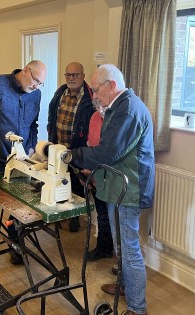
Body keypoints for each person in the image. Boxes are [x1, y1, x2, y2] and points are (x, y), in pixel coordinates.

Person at [70, 64, 155, 315]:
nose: (94, 95)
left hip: (130, 190)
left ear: (112, 86)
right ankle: (126, 287)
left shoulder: (127, 110)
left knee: (129, 249)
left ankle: (138, 309)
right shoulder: (119, 106)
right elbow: (111, 151)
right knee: (122, 246)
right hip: (119, 186)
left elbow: (108, 151)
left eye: (96, 90)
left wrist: (71, 155)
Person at [0, 60, 47, 264]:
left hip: (20, 161)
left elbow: (33, 124)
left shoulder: (36, 95)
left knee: (18, 207)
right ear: (26, 70)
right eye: (35, 80)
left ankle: (15, 245)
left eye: (40, 84)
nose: (36, 86)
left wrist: (30, 146)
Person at [47, 62, 94, 232]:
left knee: (77, 185)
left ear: (83, 75)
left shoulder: (89, 98)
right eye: (68, 75)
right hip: (57, 148)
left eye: (75, 74)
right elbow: (52, 116)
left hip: (77, 149)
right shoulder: (60, 93)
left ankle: (74, 217)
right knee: (57, 182)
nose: (71, 78)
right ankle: (58, 213)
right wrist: (50, 134)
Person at [85, 100, 113, 261]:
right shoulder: (94, 118)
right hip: (96, 173)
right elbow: (90, 146)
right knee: (101, 212)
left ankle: (114, 251)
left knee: (113, 216)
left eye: (104, 106)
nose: (101, 110)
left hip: (111, 175)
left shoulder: (116, 121)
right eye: (97, 106)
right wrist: (88, 172)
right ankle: (103, 247)